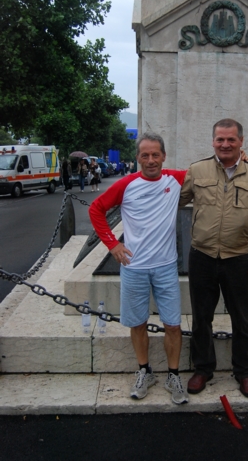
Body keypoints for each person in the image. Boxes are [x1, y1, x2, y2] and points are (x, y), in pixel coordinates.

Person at [89, 132, 189, 405]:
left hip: (166, 267)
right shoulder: (126, 184)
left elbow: (211, 169)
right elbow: (96, 209)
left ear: (164, 156)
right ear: (137, 158)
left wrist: (242, 158)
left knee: (173, 325)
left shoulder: (175, 179)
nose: (150, 160)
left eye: (155, 154)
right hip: (134, 267)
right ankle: (145, 371)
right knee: (138, 323)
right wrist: (112, 245)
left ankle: (173, 374)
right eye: (145, 155)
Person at [179, 118, 248, 399]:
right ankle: (203, 369)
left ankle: (244, 372)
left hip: (238, 259)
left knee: (242, 319)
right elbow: (174, 199)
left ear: (241, 141)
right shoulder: (196, 171)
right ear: (213, 141)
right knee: (201, 318)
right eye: (220, 139)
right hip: (202, 257)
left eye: (231, 139)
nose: (225, 144)